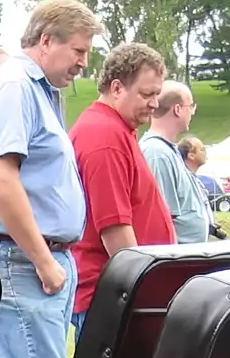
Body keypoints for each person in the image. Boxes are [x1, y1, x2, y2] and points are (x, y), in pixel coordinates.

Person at [0, 0, 101, 358]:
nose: (84, 63)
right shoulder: (16, 87)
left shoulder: (39, 91)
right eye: (78, 50)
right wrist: (44, 261)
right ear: (46, 41)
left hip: (32, 260)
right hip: (22, 261)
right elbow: (0, 181)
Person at [68, 42, 173, 332]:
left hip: (120, 292)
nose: (155, 104)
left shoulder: (116, 130)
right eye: (147, 94)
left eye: (157, 94)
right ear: (117, 88)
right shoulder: (104, 137)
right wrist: (142, 289)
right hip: (115, 296)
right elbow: (114, 229)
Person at [141, 80, 211, 245]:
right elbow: (161, 220)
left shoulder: (167, 150)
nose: (192, 112)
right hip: (178, 257)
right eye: (191, 106)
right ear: (177, 109)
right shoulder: (157, 153)